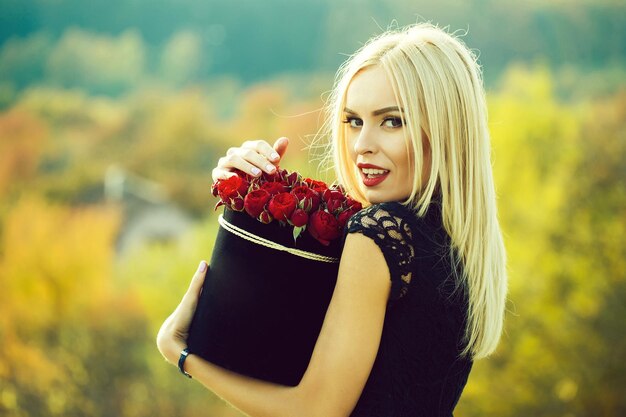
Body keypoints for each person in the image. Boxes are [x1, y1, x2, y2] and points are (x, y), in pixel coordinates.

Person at [157, 22, 507, 417]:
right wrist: (250, 186)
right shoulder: (460, 242)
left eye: (392, 121)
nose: (362, 145)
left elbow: (314, 411)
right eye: (354, 121)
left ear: (445, 130)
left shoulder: (380, 235)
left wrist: (182, 353)